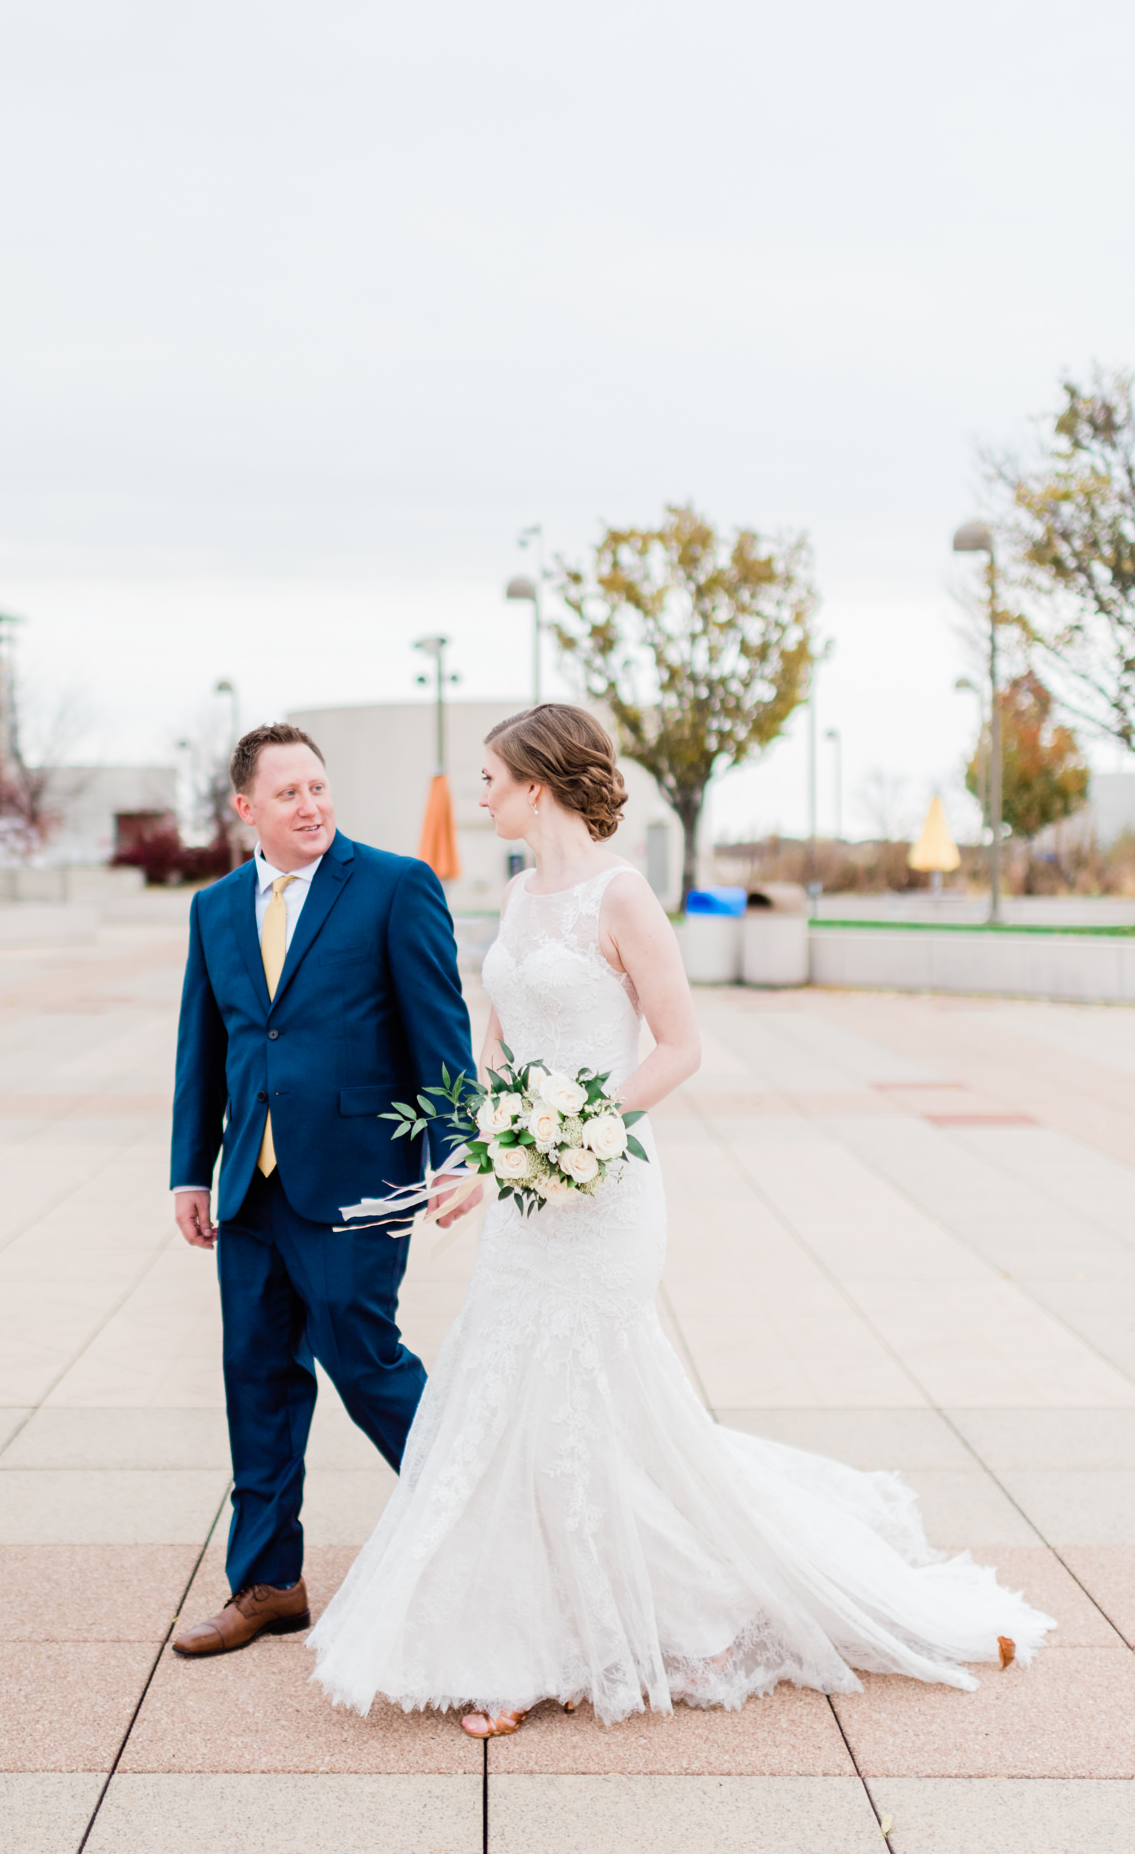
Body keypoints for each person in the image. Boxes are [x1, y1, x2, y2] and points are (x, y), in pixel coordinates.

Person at [310, 703, 1052, 1732]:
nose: (478, 794)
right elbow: (492, 1054)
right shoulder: (515, 901)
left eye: (488, 777)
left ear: (537, 783)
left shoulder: (622, 899)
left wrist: (576, 1122)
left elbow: (677, 1047)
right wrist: (483, 1158)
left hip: (606, 1187)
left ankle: (694, 1609)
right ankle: (518, 1641)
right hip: (528, 1201)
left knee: (590, 1402)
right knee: (510, 1403)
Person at [169, 722, 479, 1658]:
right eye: (289, 794)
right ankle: (268, 1583)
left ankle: (485, 1526)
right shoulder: (216, 907)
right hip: (248, 1189)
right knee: (256, 1377)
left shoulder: (392, 886)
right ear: (246, 809)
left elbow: (442, 1031)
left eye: (319, 788)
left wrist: (454, 1151)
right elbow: (207, 1046)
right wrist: (190, 1169)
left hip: (354, 1179)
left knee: (365, 1362)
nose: (311, 806)